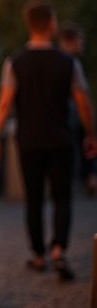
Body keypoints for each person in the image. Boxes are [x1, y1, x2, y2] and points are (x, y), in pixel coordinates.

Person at [0, 0, 97, 281]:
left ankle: (38, 255)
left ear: (29, 24)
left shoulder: (15, 62)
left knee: (33, 199)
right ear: (51, 25)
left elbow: (4, 103)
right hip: (61, 140)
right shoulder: (69, 63)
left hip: (29, 141)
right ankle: (59, 250)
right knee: (62, 197)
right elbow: (84, 104)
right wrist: (91, 134)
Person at [58, 21, 96, 195]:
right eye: (80, 40)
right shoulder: (71, 64)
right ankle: (89, 177)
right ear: (71, 40)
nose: (82, 44)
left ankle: (89, 177)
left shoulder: (57, 61)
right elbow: (83, 102)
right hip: (69, 119)